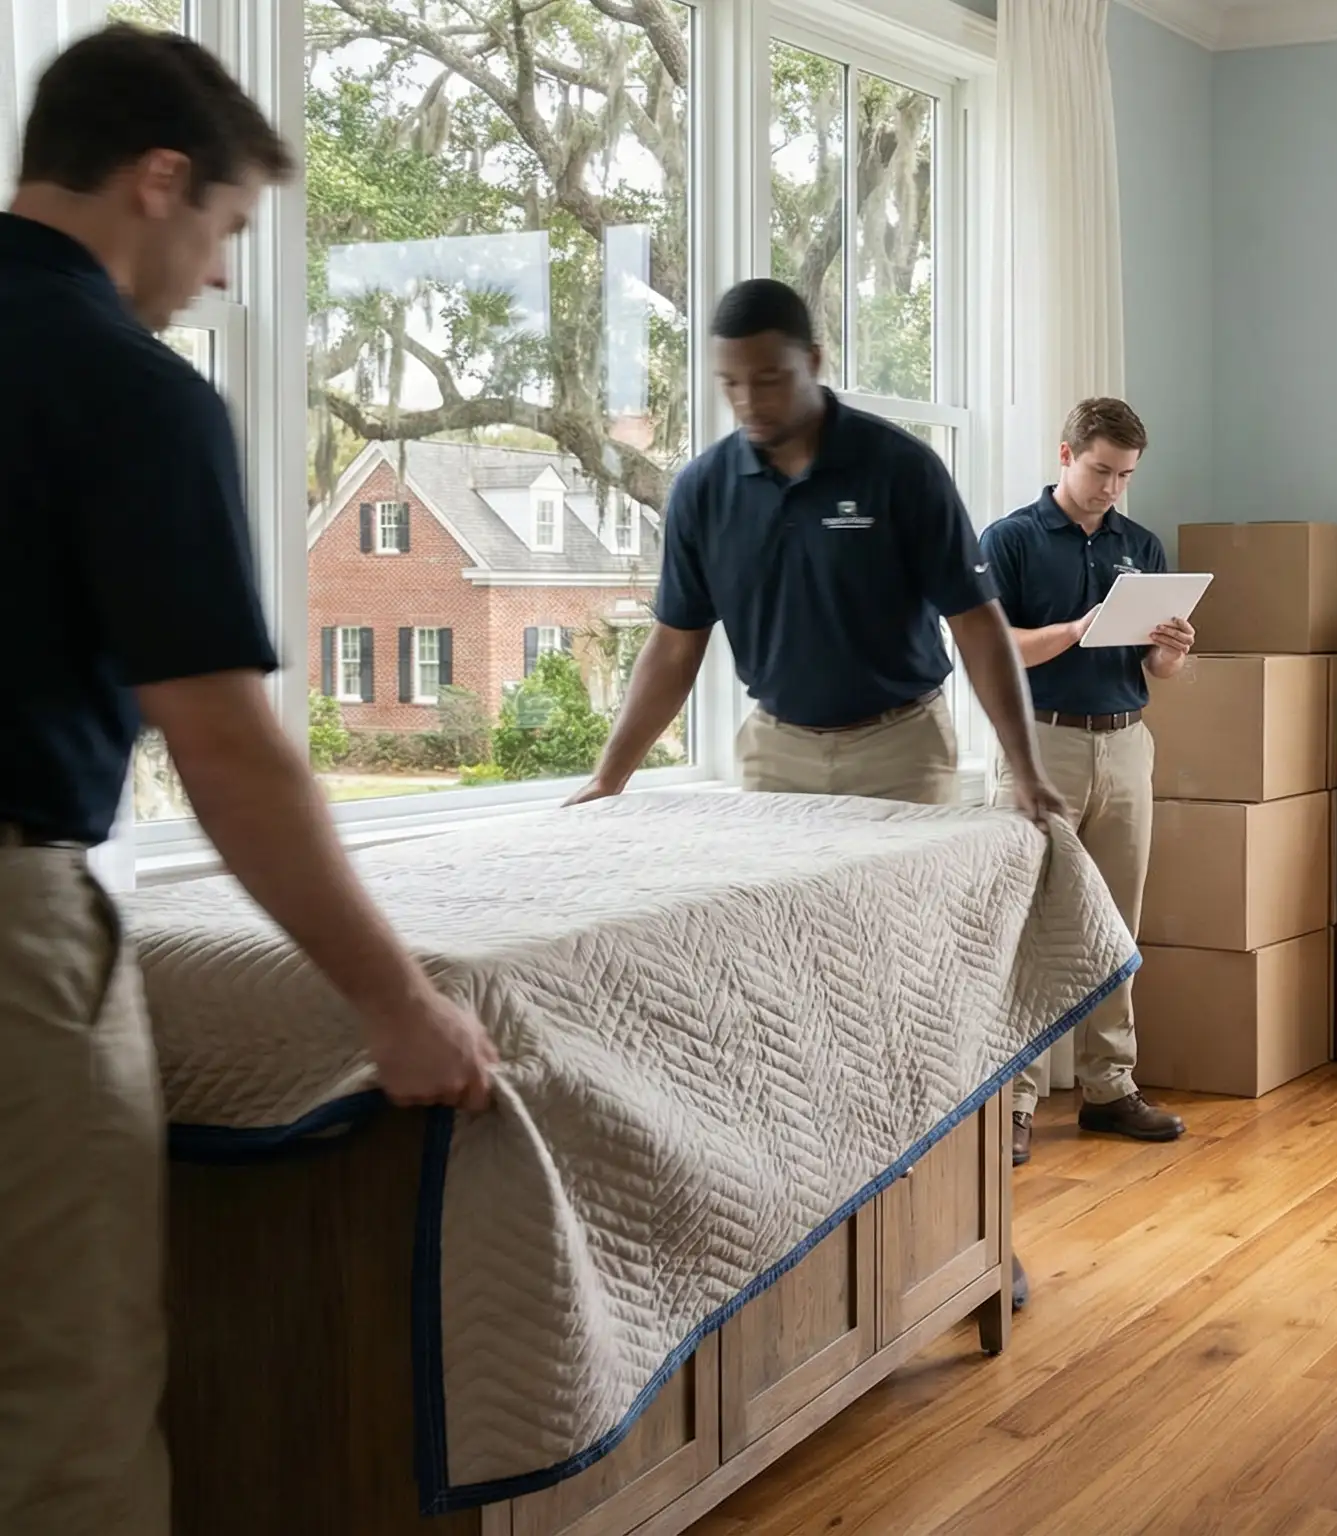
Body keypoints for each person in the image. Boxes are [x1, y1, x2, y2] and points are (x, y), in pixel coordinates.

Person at [0, 27, 502, 1535]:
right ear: (159, 181)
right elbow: (223, 745)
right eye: (222, 229)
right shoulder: (124, 386)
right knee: (57, 1401)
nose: (218, 276)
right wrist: (394, 1001)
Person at [571, 277, 1063, 1308]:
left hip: (902, 753)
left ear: (816, 361)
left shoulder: (897, 469)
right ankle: (806, 1252)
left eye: (769, 377)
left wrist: (1022, 773)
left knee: (926, 1002)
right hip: (775, 762)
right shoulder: (706, 489)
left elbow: (975, 627)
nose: (748, 399)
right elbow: (672, 647)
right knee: (790, 1010)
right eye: (730, 383)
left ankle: (974, 1233)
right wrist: (609, 779)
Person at [979, 400, 1191, 1167]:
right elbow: (993, 650)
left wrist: (1172, 650)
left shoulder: (1142, 545)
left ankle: (1109, 1088)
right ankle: (1015, 1101)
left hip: (1126, 742)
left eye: (1125, 476)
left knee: (1114, 923)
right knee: (1031, 923)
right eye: (1100, 470)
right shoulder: (1010, 540)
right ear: (1065, 453)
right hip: (1041, 742)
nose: (1111, 488)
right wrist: (1077, 627)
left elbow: (1156, 670)